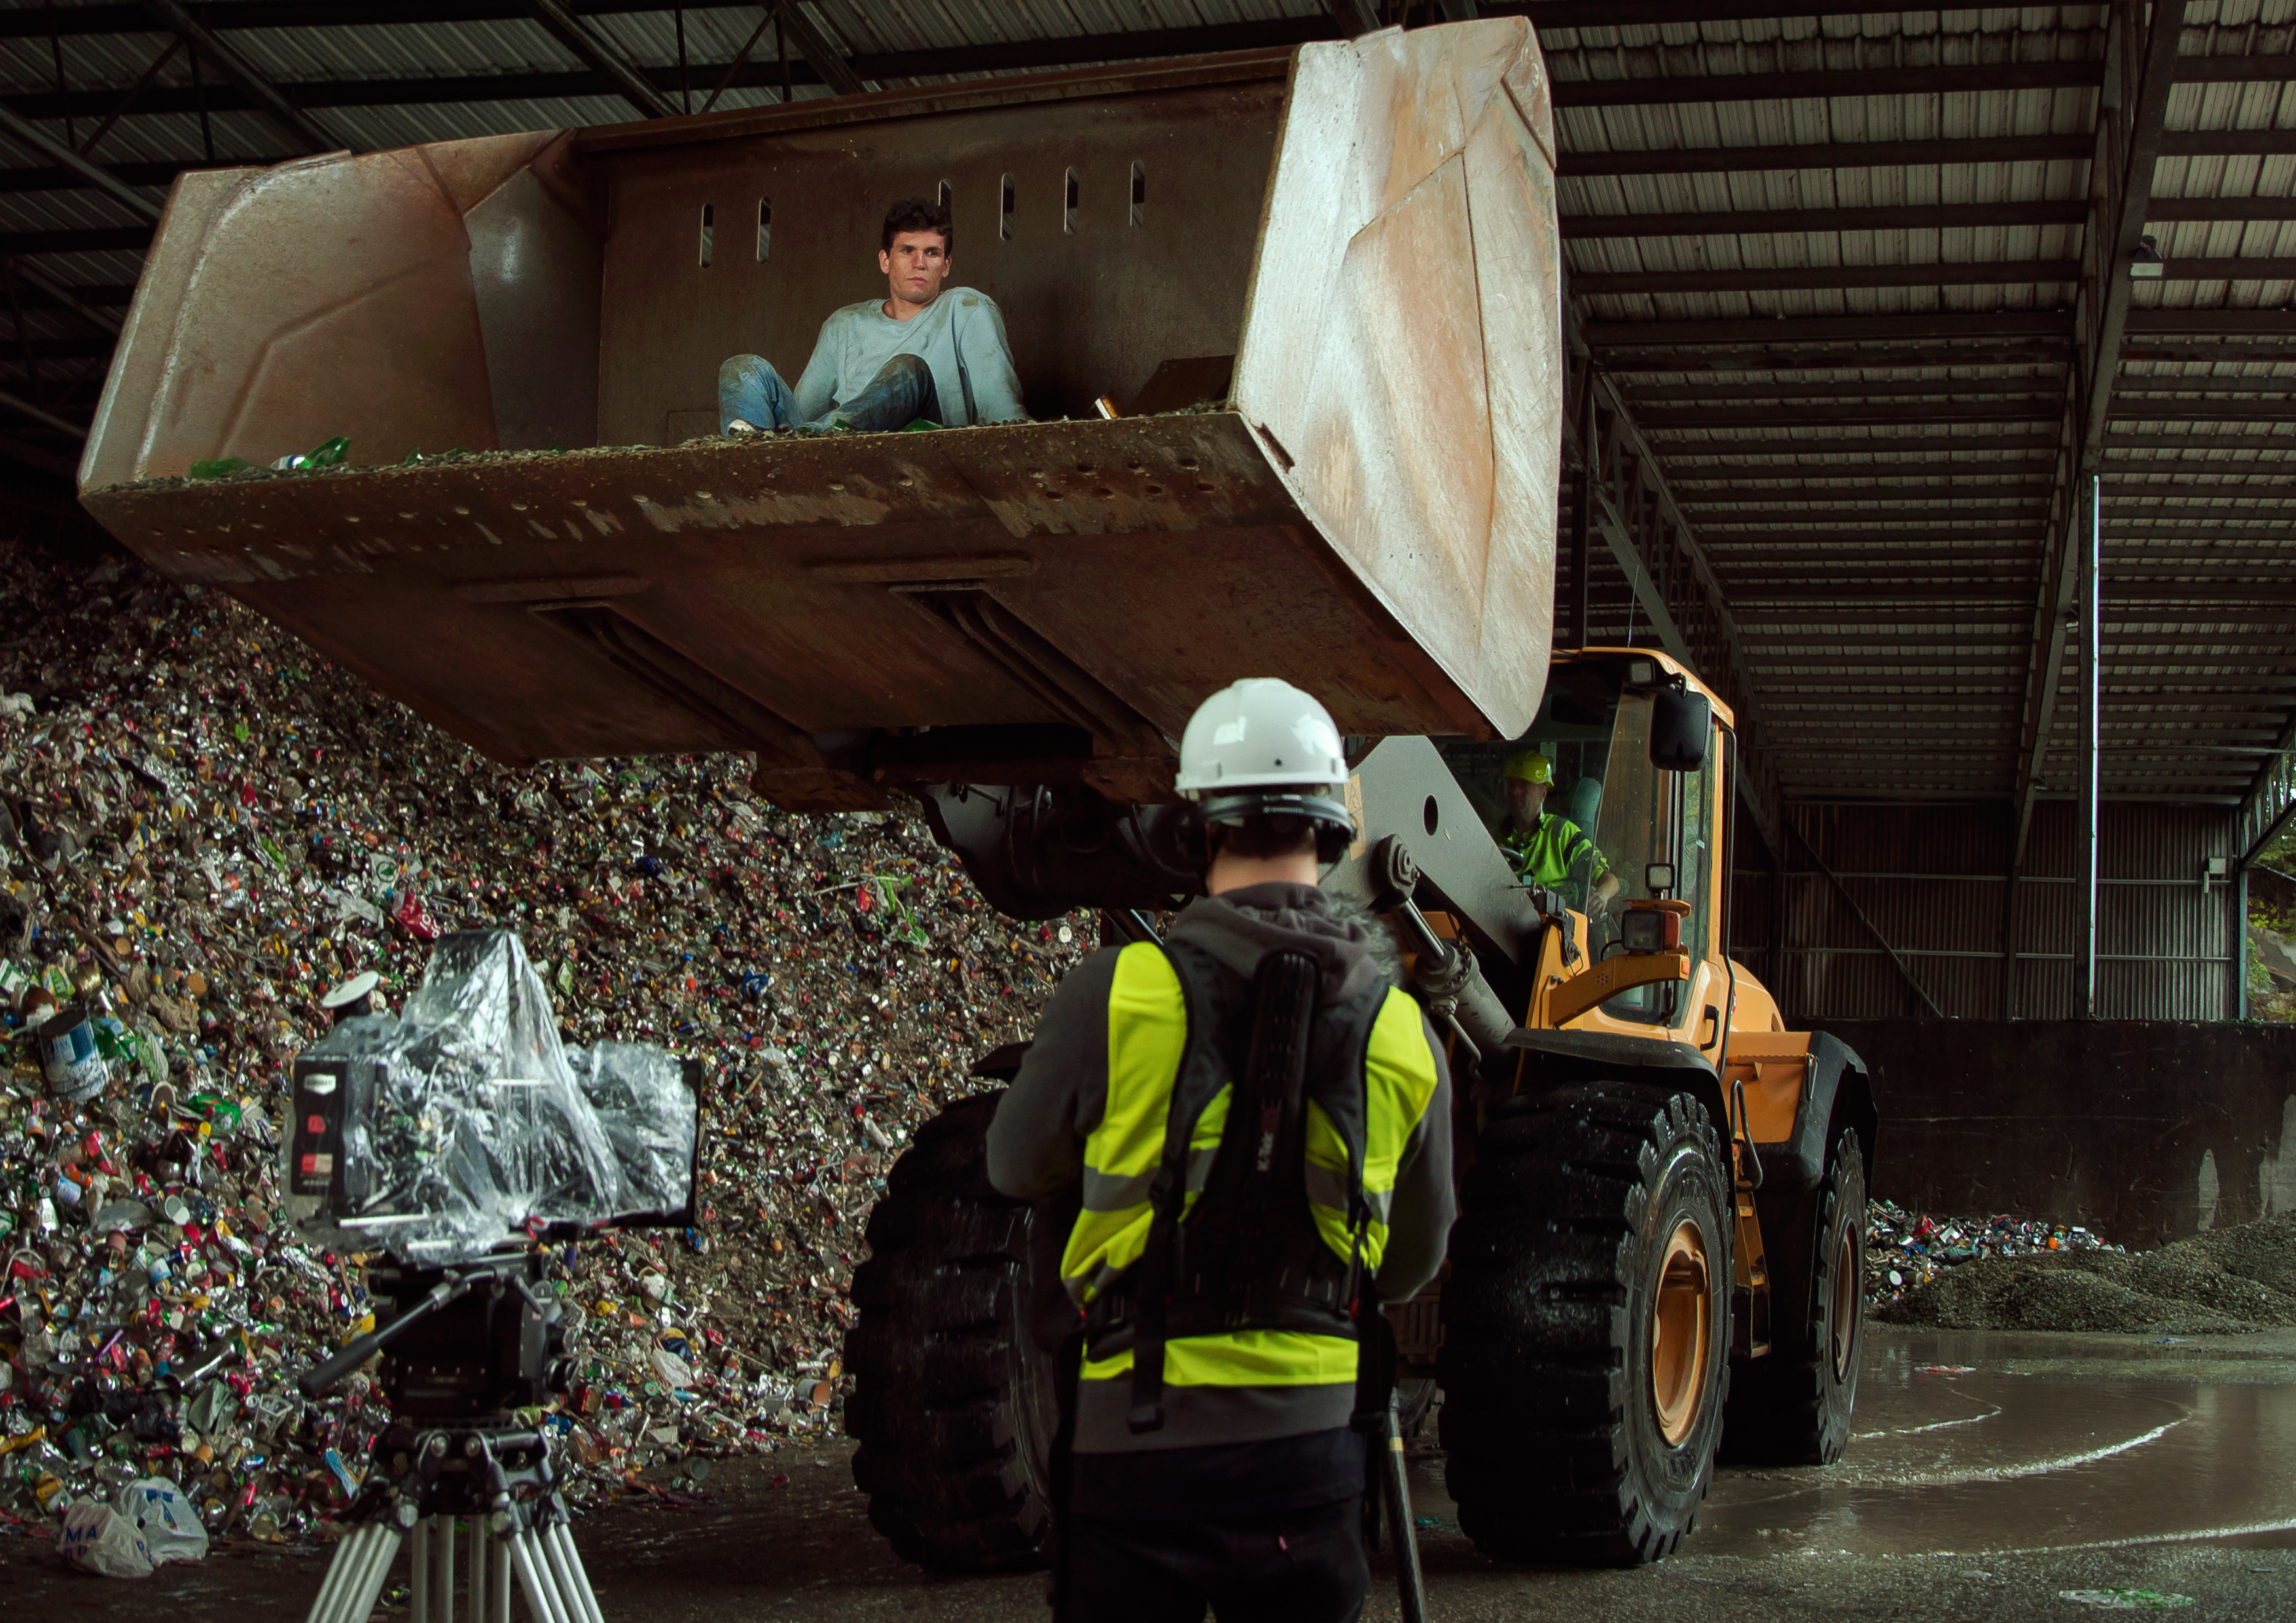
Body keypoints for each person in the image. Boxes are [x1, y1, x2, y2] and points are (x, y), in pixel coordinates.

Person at [987, 677, 1456, 1623]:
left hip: (1132, 1453)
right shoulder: (1407, 1034)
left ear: (1197, 827)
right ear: (1332, 833)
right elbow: (1411, 1266)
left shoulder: (1111, 994)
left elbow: (1010, 1166)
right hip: (1312, 1455)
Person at [717, 196, 1026, 435]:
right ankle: (751, 456)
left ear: (946, 265)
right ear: (885, 260)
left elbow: (1001, 407)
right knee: (743, 368)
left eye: (932, 253)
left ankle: (823, 439)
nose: (920, 263)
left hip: (925, 455)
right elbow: (802, 412)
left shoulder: (966, 309)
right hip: (833, 454)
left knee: (910, 370)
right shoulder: (844, 325)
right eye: (907, 250)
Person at [1498, 748, 1619, 911]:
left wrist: (1602, 895)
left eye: (1525, 785)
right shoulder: (1492, 835)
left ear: (1543, 793)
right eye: (1512, 785)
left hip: (1554, 930)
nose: (1515, 792)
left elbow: (1609, 880)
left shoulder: (1563, 834)